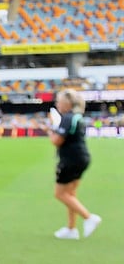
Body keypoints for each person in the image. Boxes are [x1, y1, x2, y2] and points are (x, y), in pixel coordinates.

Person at [49, 88, 100, 239]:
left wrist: (52, 128)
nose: (57, 103)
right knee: (70, 194)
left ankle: (88, 218)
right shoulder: (76, 117)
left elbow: (57, 141)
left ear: (67, 103)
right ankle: (71, 229)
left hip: (71, 160)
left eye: (59, 101)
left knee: (60, 194)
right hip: (81, 158)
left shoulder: (68, 118)